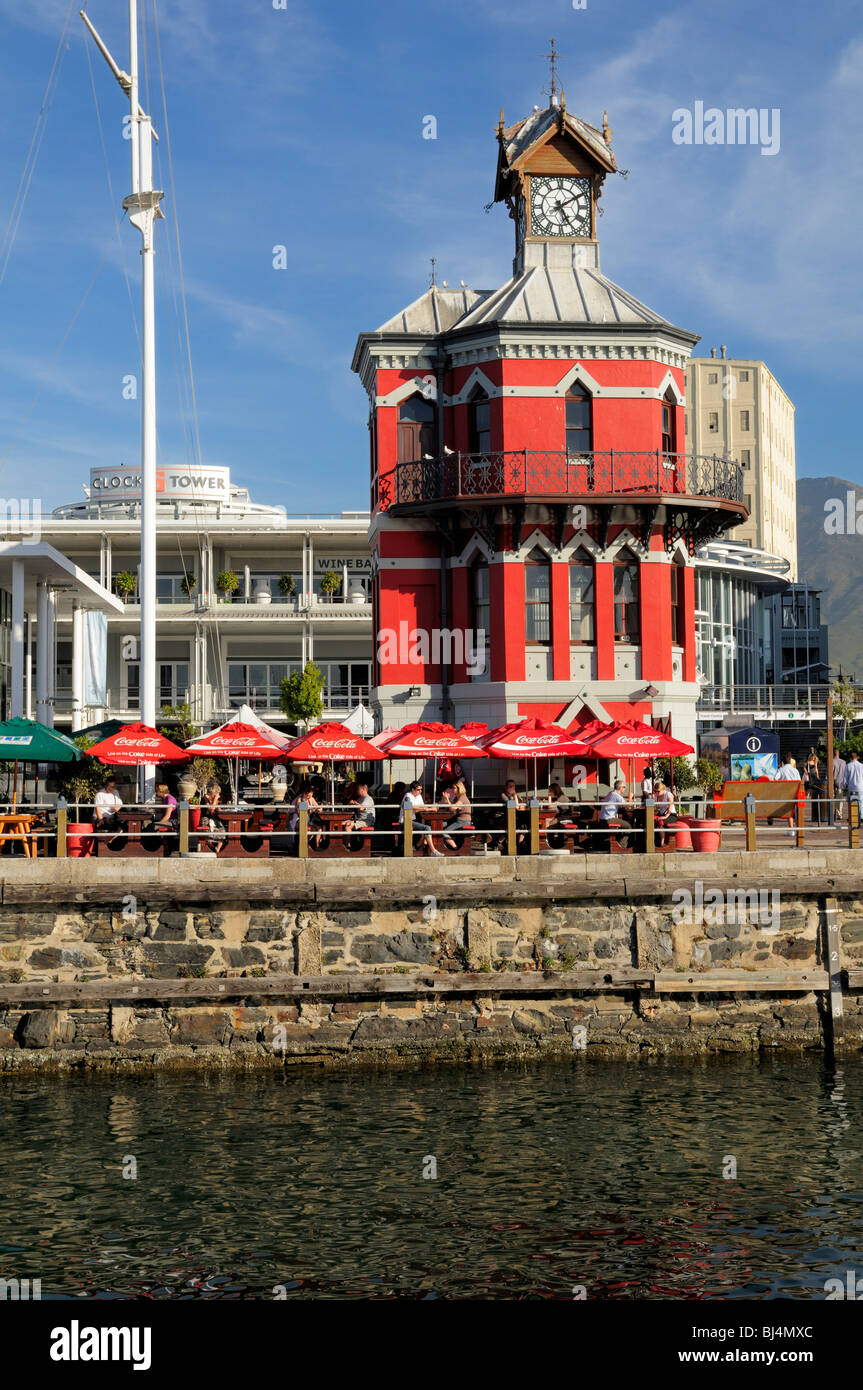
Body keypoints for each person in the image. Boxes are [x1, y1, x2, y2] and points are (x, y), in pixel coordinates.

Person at [400, 779, 441, 856]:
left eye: (421, 789)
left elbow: (422, 807)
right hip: (406, 820)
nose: (420, 791)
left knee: (429, 827)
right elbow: (412, 808)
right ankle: (433, 851)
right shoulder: (408, 796)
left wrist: (430, 807)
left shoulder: (418, 796)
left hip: (414, 819)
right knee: (427, 828)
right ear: (413, 790)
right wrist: (429, 809)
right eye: (418, 790)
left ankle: (418, 846)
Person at [774, 755, 801, 836]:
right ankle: (799, 829)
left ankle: (791, 830)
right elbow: (799, 781)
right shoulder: (795, 770)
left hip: (786, 793)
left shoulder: (781, 770)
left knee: (789, 812)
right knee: (796, 811)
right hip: (795, 792)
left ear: (782, 762)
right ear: (790, 761)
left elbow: (775, 779)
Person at [599, 779, 631, 849]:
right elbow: (628, 806)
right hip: (609, 819)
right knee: (628, 826)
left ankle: (621, 843)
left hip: (603, 819)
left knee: (624, 825)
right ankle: (621, 845)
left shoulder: (611, 793)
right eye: (624, 787)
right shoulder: (616, 795)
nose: (625, 789)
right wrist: (630, 797)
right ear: (620, 788)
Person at [441, 780, 472, 850]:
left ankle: (455, 848)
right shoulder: (457, 798)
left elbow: (452, 808)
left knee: (443, 832)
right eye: (452, 788)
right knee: (439, 825)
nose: (452, 790)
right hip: (458, 820)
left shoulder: (462, 797)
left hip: (463, 821)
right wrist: (447, 801)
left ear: (459, 789)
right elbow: (450, 809)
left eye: (454, 788)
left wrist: (447, 799)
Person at [200, 780, 226, 854]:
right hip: (205, 819)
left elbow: (216, 809)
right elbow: (210, 809)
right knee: (212, 828)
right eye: (217, 793)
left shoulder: (215, 799)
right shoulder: (205, 798)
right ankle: (209, 845)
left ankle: (218, 847)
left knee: (222, 828)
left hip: (214, 818)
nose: (218, 794)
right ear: (213, 792)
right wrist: (215, 800)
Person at [843, 751, 863, 824]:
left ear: (850, 758)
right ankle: (861, 816)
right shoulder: (861, 765)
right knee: (861, 803)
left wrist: (844, 786)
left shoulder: (848, 766)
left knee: (853, 803)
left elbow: (845, 778)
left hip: (852, 787)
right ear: (857, 758)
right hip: (861, 787)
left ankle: (854, 818)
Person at [833, 751, 847, 823]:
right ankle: (839, 814)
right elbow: (845, 773)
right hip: (841, 783)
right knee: (840, 800)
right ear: (839, 754)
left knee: (832, 799)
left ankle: (833, 813)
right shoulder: (844, 762)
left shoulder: (832, 761)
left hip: (833, 783)